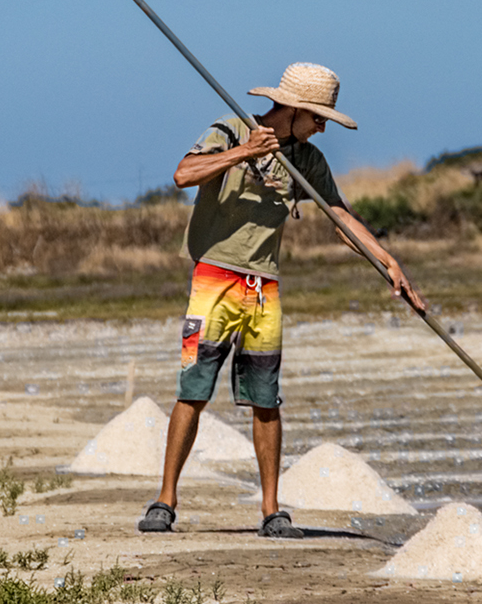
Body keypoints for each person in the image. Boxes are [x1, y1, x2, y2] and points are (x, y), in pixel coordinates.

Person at [138, 63, 425, 538]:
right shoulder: (230, 129)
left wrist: (389, 262)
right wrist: (243, 152)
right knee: (194, 390)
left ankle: (272, 511)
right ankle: (165, 501)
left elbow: (340, 216)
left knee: (266, 400)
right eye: (316, 117)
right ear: (290, 109)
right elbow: (183, 173)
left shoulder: (307, 161)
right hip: (214, 277)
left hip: (263, 286)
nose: (322, 127)